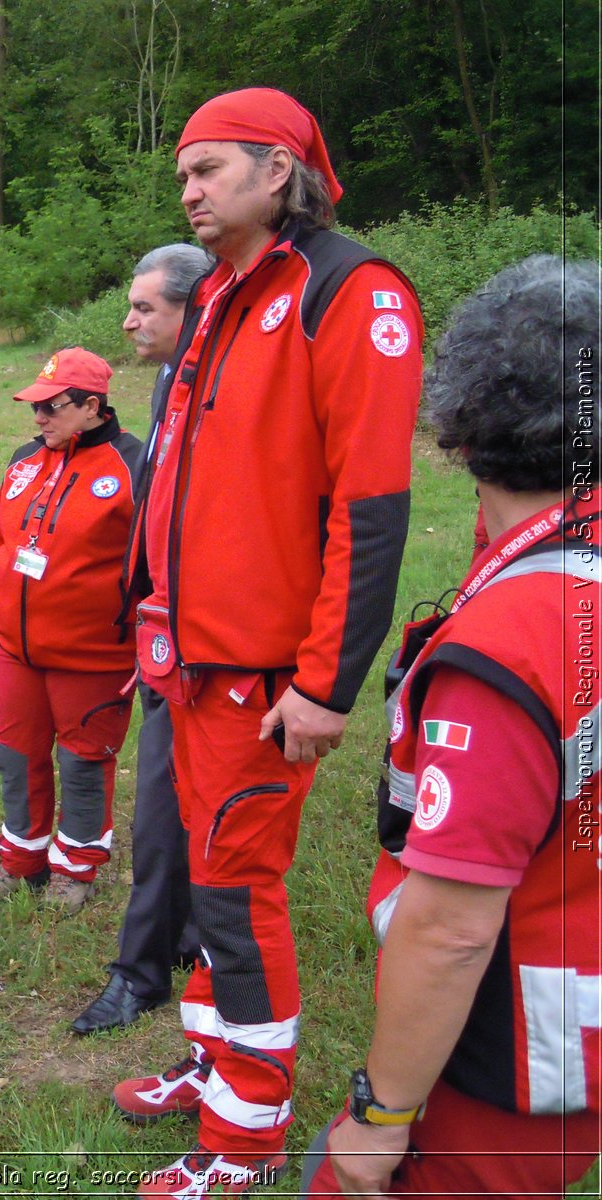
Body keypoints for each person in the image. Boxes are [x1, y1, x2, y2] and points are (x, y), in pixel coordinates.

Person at [115, 88, 423, 1197]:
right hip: (186, 664)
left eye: (208, 170)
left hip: (263, 681)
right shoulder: (222, 295)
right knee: (207, 879)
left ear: (277, 171)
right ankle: (213, 1059)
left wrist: (328, 683)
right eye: (183, 174)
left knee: (239, 894)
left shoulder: (349, 291)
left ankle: (243, 1140)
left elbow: (371, 506)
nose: (187, 190)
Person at [303, 256, 600, 1199]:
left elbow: (450, 931)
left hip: (519, 1049)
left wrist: (380, 1117)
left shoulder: (513, 644)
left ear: (457, 424)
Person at [73, 243, 213, 1036]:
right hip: (165, 626)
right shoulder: (169, 381)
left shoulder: (227, 385)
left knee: (164, 809)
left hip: (213, 636)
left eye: (144, 308)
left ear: (193, 309)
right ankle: (185, 937)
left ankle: (142, 972)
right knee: (175, 800)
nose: (127, 321)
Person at [0, 348, 141, 913]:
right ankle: (21, 860)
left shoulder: (136, 464)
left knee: (83, 761)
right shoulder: (24, 460)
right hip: (17, 650)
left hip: (94, 656)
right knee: (16, 754)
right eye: (34, 406)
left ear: (92, 407)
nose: (37, 418)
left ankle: (76, 868)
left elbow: (159, 561)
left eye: (50, 407)